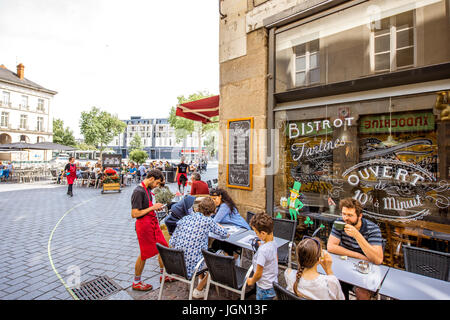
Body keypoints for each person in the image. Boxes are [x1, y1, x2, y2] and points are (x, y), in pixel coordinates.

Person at [169, 197, 229, 299]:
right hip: (192, 266)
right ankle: (199, 289)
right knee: (217, 260)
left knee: (201, 253)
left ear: (199, 207)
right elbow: (225, 234)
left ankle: (201, 281)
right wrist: (220, 226)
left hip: (177, 263)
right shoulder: (208, 221)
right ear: (213, 210)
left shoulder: (185, 218)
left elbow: (172, 242)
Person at [327, 197, 384, 300]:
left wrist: (357, 235)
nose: (346, 218)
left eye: (350, 215)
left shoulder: (372, 229)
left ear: (360, 216)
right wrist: (359, 256)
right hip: (344, 266)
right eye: (344, 214)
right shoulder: (340, 222)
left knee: (361, 292)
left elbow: (378, 259)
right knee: (333, 282)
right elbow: (331, 246)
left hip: (364, 271)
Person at [131, 169, 174, 291]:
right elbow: (134, 213)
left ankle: (163, 275)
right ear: (151, 179)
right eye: (157, 183)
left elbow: (147, 207)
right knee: (144, 254)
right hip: (144, 226)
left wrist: (154, 208)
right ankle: (136, 282)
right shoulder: (138, 191)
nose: (157, 186)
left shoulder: (147, 190)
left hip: (152, 223)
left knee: (163, 248)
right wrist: (152, 208)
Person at [209, 188, 250, 257]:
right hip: (233, 229)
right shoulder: (219, 206)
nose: (213, 201)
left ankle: (229, 261)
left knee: (222, 244)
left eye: (214, 199)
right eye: (211, 199)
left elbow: (214, 221)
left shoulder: (225, 206)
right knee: (217, 243)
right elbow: (212, 219)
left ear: (220, 197)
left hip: (242, 229)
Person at [246, 213, 278, 300]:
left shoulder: (263, 251)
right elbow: (275, 259)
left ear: (263, 233)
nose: (256, 235)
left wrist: (251, 280)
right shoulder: (273, 242)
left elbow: (258, 274)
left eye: (256, 233)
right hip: (273, 283)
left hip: (263, 287)